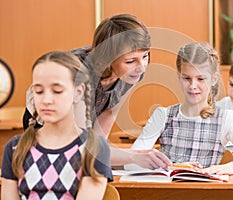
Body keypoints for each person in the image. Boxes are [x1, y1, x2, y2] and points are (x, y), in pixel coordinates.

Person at [22, 14, 171, 170]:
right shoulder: (77, 74)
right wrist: (132, 157)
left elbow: (109, 113)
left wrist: (101, 156)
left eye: (145, 56)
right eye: (130, 61)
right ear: (109, 59)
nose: (142, 66)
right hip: (44, 122)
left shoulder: (134, 73)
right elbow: (78, 144)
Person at [126, 42, 233, 175]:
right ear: (179, 77)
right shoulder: (163, 115)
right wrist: (173, 167)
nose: (193, 85)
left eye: (201, 79)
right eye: (186, 78)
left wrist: (232, 166)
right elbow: (129, 162)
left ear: (213, 79)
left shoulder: (225, 118)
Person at [1, 51, 113, 199]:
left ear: (78, 92)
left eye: (57, 91)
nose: (47, 99)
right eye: (39, 91)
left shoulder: (94, 148)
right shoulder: (15, 148)